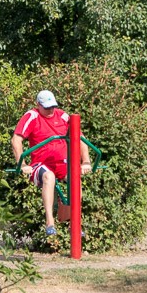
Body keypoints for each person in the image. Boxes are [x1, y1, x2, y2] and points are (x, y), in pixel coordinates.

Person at [11, 90, 92, 236]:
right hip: (41, 164)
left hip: (62, 163)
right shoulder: (32, 116)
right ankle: (50, 221)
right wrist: (22, 164)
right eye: (47, 107)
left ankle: (75, 223)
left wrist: (86, 161)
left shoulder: (62, 116)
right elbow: (16, 139)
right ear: (38, 105)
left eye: (53, 106)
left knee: (75, 178)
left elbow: (81, 139)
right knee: (49, 176)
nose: (50, 110)